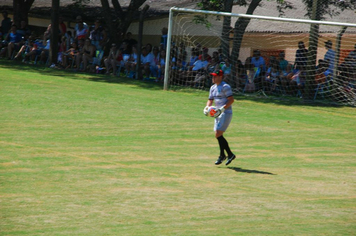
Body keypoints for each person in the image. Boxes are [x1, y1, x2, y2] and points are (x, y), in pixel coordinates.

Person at [203, 69, 236, 166]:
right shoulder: (213, 87)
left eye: (215, 76)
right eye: (212, 76)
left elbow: (231, 100)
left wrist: (222, 109)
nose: (213, 78)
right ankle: (223, 155)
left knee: (218, 133)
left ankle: (229, 154)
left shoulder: (225, 87)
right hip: (217, 113)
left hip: (226, 112)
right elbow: (210, 100)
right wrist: (207, 107)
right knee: (218, 135)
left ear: (220, 77)